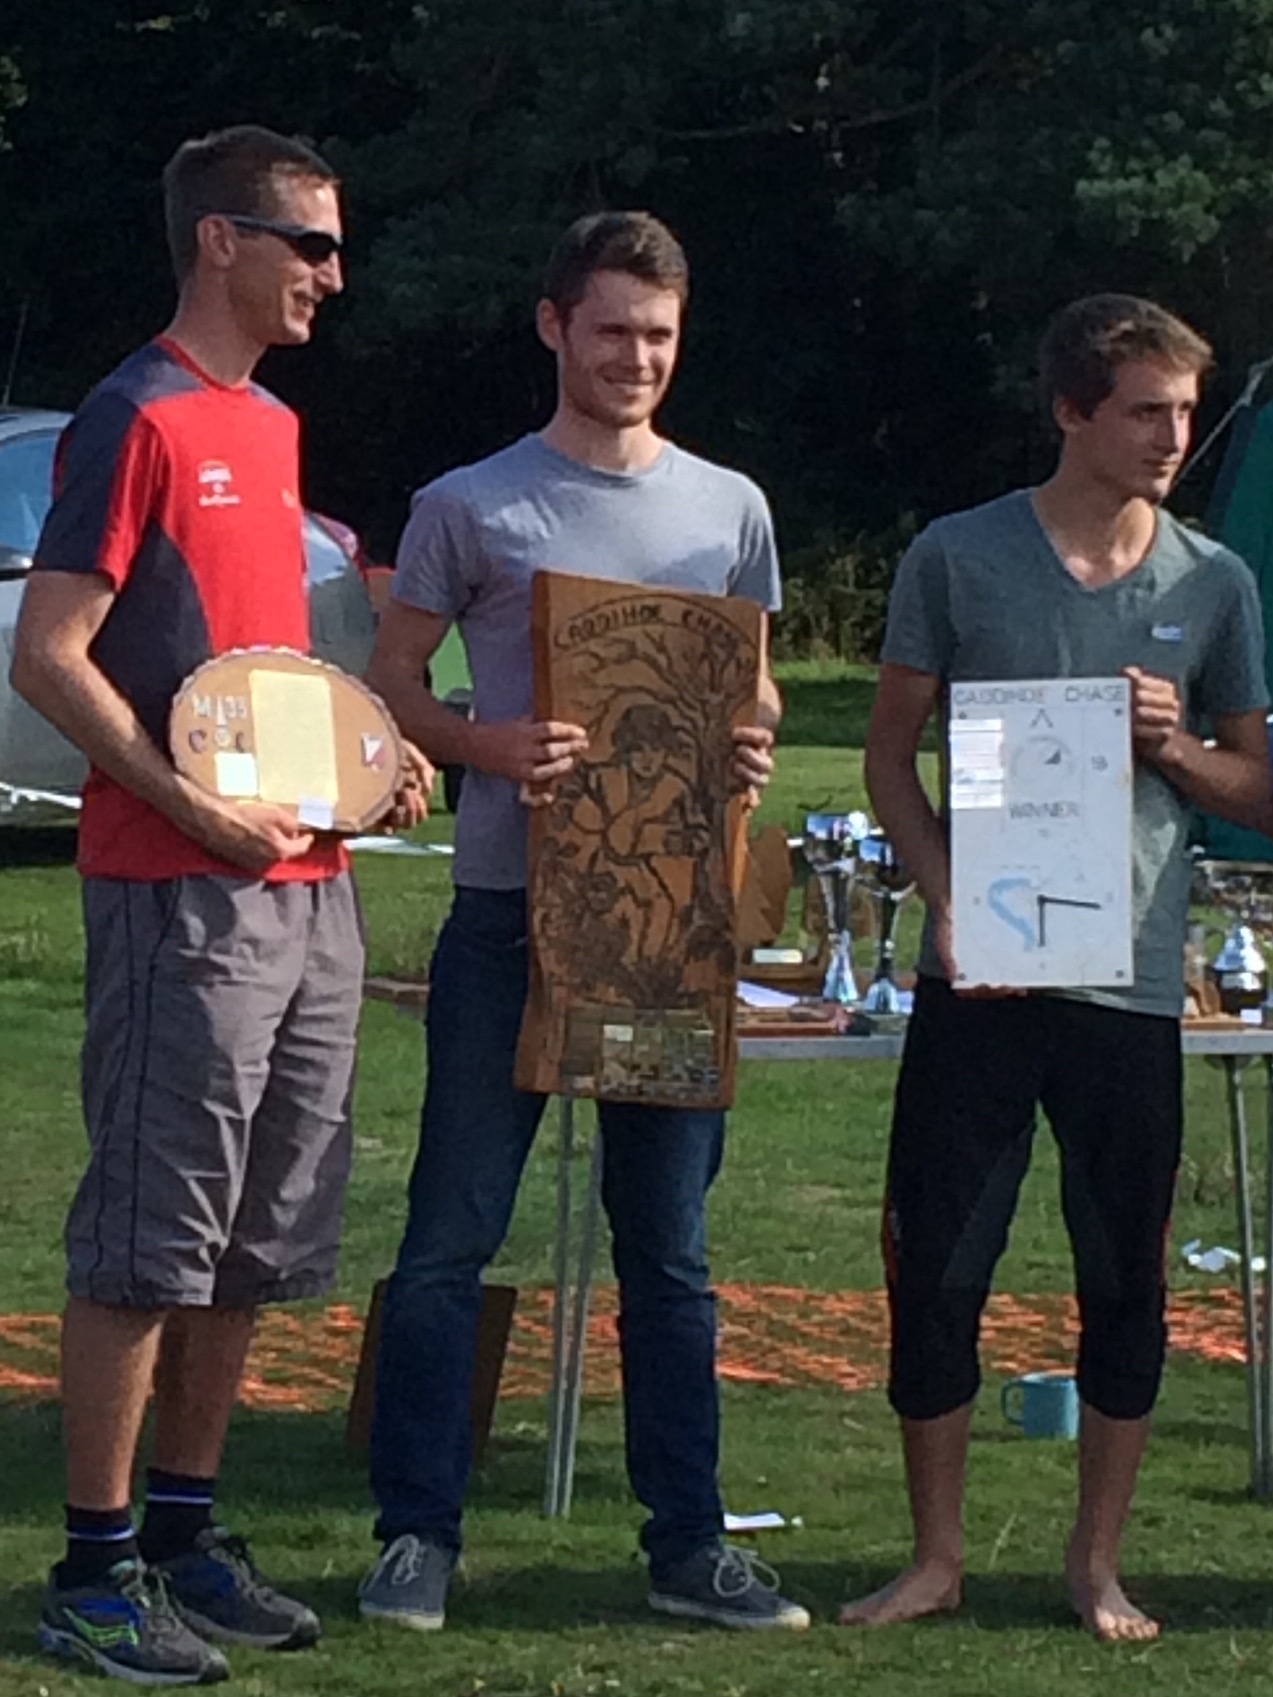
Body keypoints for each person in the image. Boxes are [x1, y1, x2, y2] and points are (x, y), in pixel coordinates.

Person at [12, 124, 427, 1686]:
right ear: (218, 244)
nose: (332, 271)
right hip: (178, 894)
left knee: (259, 1239)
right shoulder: (134, 415)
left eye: (331, 244)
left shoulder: (272, 421)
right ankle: (94, 1567)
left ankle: (186, 1530)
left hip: (305, 893)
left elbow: (253, 682)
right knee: (146, 1238)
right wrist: (187, 805)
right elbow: (47, 650)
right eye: (307, 242)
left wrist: (362, 773)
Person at [357, 210, 808, 1634]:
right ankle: (415, 1534)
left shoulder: (727, 505)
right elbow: (387, 689)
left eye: (660, 336)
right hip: (506, 916)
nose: (636, 358)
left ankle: (687, 1545)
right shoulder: (471, 501)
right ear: (554, 326)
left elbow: (758, 687)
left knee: (666, 1252)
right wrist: (483, 748)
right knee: (449, 1238)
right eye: (611, 329)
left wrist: (746, 740)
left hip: (668, 931)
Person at [841, 294, 1272, 1642]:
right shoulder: (958, 558)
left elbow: (1253, 786)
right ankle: (934, 1556)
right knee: (941, 1264)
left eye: (1186, 413)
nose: (1171, 435)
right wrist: (945, 897)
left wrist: (1177, 749)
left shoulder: (1212, 582)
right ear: (1071, 411)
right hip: (980, 977)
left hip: (1127, 986)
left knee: (1121, 1276)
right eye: (1144, 409)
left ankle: (1095, 1563)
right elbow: (884, 757)